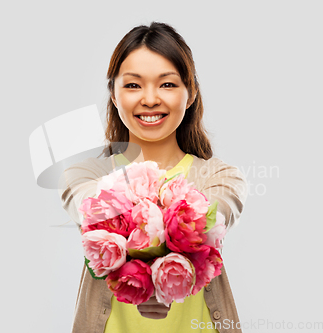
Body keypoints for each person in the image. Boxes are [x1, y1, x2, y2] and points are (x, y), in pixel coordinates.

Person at [59, 22, 248, 333]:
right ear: (114, 95)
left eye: (167, 84)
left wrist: (160, 276)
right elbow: (93, 208)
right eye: (133, 85)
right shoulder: (84, 175)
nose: (149, 99)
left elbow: (211, 218)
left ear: (191, 94)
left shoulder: (221, 176)